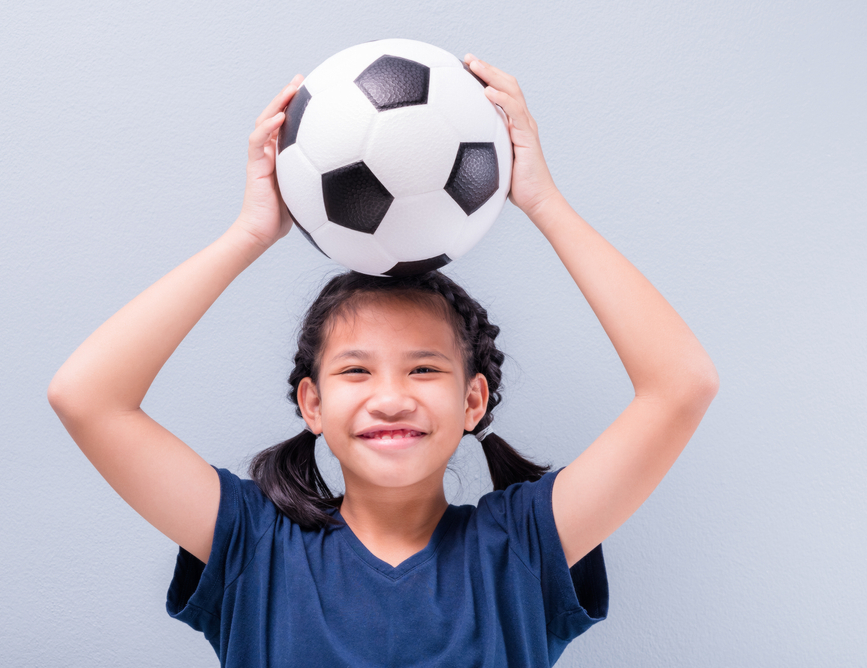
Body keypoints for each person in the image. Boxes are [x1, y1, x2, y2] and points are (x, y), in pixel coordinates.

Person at [48, 53, 719, 667]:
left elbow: (681, 385)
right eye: (356, 370)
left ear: (473, 402)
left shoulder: (522, 546)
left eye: (424, 369)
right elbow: (86, 397)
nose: (391, 396)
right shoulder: (255, 544)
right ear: (313, 404)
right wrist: (250, 233)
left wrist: (544, 202)